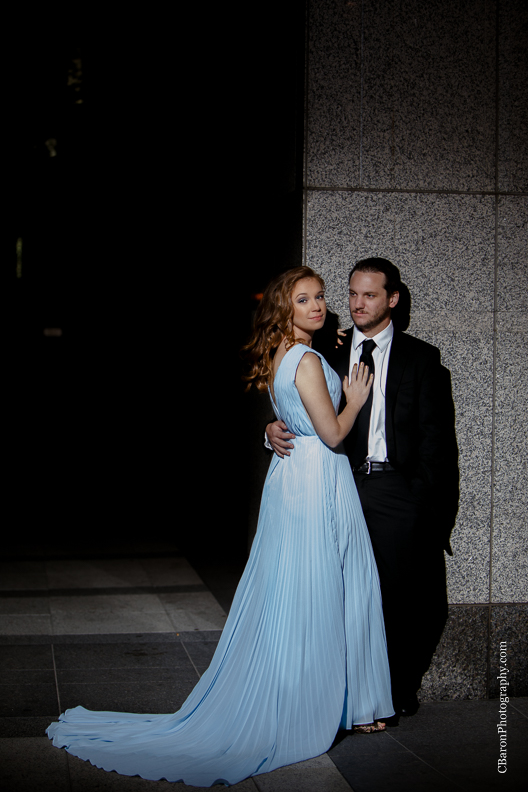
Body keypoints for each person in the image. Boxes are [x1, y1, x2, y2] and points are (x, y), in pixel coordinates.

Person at [46, 266, 394, 787]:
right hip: (316, 482)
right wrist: (356, 400)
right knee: (319, 590)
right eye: (304, 300)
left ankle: (330, 698)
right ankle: (319, 705)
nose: (319, 306)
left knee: (297, 591)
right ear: (286, 309)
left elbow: (293, 414)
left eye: (321, 297)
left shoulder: (284, 354)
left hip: (292, 482)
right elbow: (332, 433)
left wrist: (276, 422)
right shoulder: (302, 358)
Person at [267, 258, 459, 718]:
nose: (356, 304)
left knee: (406, 601)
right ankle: (340, 699)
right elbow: (298, 403)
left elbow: (438, 443)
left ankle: (391, 693)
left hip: (396, 491)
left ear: (392, 299)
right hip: (335, 486)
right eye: (351, 293)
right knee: (333, 597)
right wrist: (269, 429)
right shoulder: (326, 351)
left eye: (369, 295)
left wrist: (427, 508)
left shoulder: (421, 358)